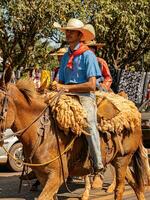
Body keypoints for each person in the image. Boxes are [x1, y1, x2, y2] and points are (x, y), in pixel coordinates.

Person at [54, 18, 104, 175]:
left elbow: (91, 85)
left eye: (70, 31)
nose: (67, 34)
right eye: (66, 31)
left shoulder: (88, 55)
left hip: (84, 97)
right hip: (65, 95)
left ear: (79, 34)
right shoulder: (66, 55)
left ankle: (98, 163)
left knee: (89, 124)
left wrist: (66, 87)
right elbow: (60, 80)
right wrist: (54, 85)